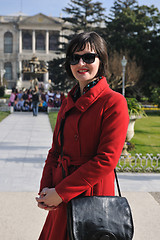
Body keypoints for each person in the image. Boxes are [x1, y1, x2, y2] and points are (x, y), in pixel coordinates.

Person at [36, 31, 129, 240]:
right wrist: (45, 190)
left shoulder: (114, 102)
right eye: (75, 58)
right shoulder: (68, 102)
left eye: (88, 57)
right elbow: (55, 151)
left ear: (101, 60)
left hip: (91, 194)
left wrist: (60, 193)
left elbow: (107, 159)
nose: (81, 63)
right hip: (60, 194)